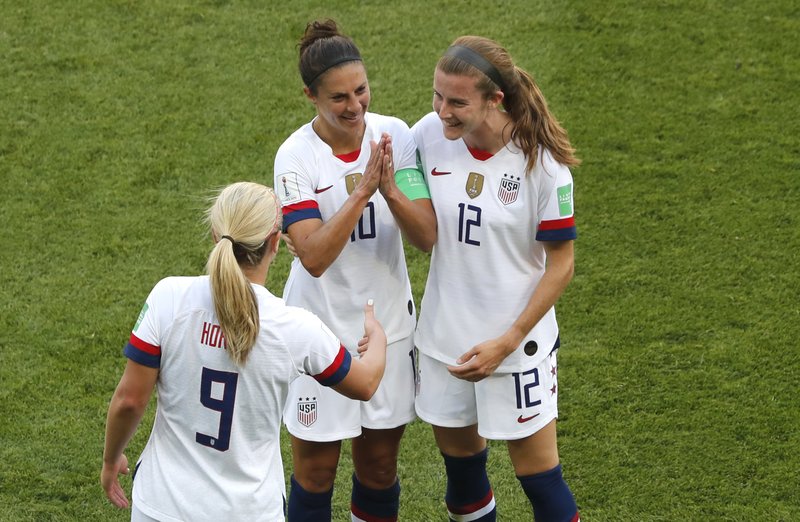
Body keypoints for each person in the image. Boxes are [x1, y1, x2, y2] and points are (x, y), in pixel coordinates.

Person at [101, 182, 388, 521]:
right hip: (249, 511)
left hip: (162, 506)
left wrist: (110, 459)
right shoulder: (294, 328)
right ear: (275, 243)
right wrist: (378, 338)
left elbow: (130, 401)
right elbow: (366, 383)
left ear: (214, 234)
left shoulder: (169, 298)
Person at [411, 36, 582, 522]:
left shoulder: (543, 168)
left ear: (494, 100)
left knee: (540, 479)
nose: (443, 110)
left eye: (457, 102)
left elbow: (561, 265)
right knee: (462, 476)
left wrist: (507, 341)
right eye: (437, 96)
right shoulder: (426, 135)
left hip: (516, 346)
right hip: (446, 341)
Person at [273, 19, 436, 522]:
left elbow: (427, 236)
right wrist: (364, 189)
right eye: (339, 97)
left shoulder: (397, 136)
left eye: (361, 90)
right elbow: (314, 257)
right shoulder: (295, 157)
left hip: (388, 327)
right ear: (310, 96)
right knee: (316, 473)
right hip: (318, 327)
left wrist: (389, 190)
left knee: (380, 467)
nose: (355, 106)